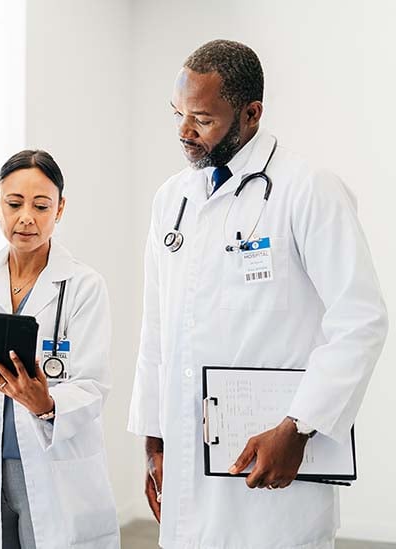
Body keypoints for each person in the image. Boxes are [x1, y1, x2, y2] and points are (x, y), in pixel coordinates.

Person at [128, 39, 389, 548]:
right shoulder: (172, 200)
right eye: (177, 113)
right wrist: (154, 438)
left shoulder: (308, 189)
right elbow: (157, 326)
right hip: (188, 461)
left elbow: (361, 320)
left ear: (251, 113)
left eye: (201, 119)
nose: (183, 131)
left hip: (275, 457)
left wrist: (300, 427)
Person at [0, 150, 120, 549]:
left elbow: (93, 385)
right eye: (14, 204)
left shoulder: (84, 287)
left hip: (54, 469)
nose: (26, 218)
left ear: (60, 208)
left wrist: (45, 404)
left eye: (41, 205)